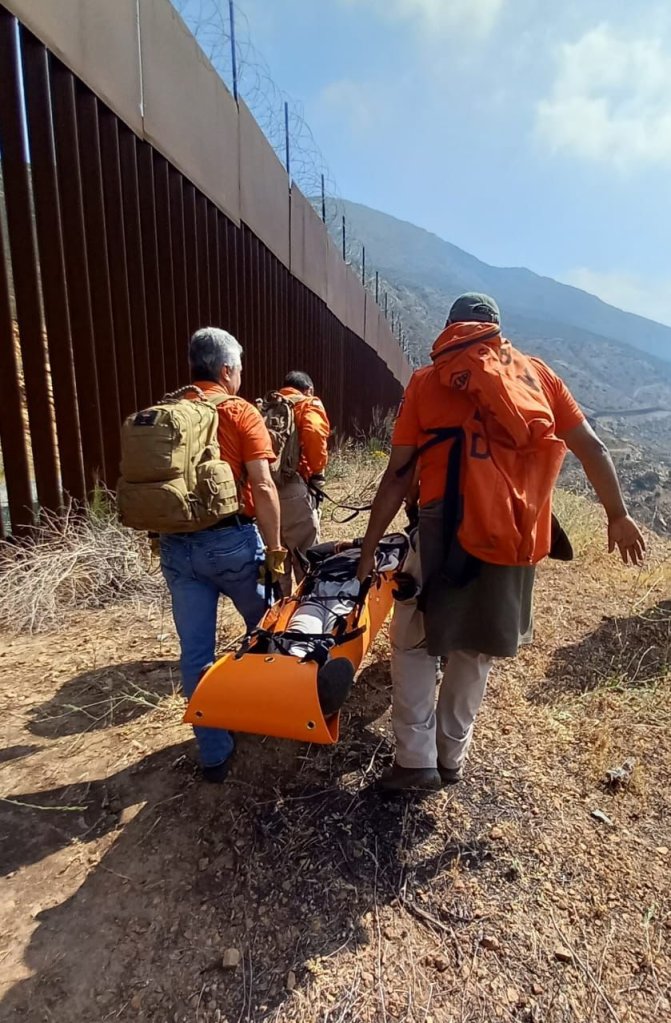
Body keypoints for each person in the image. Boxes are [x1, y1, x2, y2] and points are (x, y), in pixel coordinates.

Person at [357, 293, 645, 792]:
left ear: (450, 329)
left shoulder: (427, 381)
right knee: (476, 645)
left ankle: (414, 760)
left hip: (442, 526)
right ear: (497, 331)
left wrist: (368, 548)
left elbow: (399, 473)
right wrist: (617, 514)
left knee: (414, 642)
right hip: (517, 528)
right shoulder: (539, 375)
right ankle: (451, 759)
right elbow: (592, 448)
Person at [160, 327, 286, 782]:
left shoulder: (167, 412)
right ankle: (269, 713)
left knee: (195, 654)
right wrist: (275, 551)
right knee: (269, 628)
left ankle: (213, 751)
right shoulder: (238, 411)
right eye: (239, 368)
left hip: (176, 548)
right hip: (231, 544)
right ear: (228, 369)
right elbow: (264, 485)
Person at [275, 370, 331, 595]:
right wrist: (317, 473)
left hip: (262, 494)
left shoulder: (265, 408)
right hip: (292, 487)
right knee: (308, 560)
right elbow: (314, 433)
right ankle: (307, 616)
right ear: (308, 389)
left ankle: (277, 620)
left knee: (277, 564)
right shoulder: (307, 404)